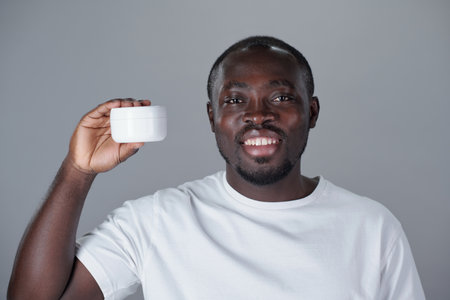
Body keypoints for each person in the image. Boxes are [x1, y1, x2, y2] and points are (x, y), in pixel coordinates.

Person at [8, 36, 426, 300]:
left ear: (311, 111)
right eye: (235, 100)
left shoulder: (372, 227)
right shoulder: (156, 221)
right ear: (212, 117)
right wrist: (77, 173)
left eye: (281, 98)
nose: (257, 115)